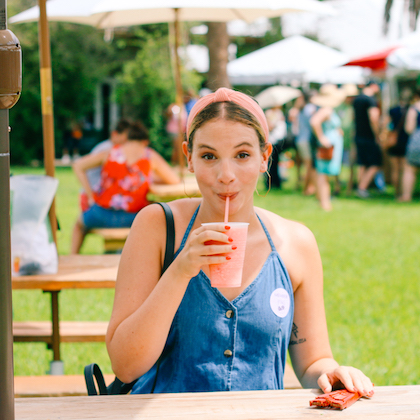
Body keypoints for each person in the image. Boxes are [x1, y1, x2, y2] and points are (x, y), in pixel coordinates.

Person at [106, 88, 374, 396]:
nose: (226, 174)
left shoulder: (296, 244)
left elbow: (313, 360)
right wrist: (181, 269)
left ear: (264, 157)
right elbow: (125, 365)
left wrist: (331, 373)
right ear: (189, 157)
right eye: (209, 156)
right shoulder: (157, 226)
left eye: (242, 155)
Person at [70, 119, 180, 254]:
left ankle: (72, 256)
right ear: (145, 141)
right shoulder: (148, 155)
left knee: (79, 225)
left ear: (127, 138)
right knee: (159, 215)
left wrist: (89, 194)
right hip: (133, 217)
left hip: (101, 214)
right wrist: (149, 178)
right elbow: (174, 180)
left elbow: (78, 165)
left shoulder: (110, 152)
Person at [310, 84, 348, 211]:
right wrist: (321, 138)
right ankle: (325, 203)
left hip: (332, 144)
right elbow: (315, 122)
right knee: (323, 174)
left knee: (325, 173)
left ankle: (324, 201)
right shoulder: (326, 109)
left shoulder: (327, 109)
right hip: (328, 146)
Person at [352, 79, 383, 199]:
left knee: (362, 162)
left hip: (359, 135)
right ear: (374, 86)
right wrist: (377, 135)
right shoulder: (370, 100)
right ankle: (362, 188)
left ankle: (360, 186)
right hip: (369, 136)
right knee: (375, 162)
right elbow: (373, 118)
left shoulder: (357, 99)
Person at [386, 88, 413, 197]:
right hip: (406, 141)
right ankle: (403, 192)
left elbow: (387, 124)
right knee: (405, 170)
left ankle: (396, 192)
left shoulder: (393, 110)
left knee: (395, 170)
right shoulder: (411, 110)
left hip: (394, 141)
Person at [290, 91, 318, 195]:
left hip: (300, 139)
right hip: (307, 140)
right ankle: (306, 189)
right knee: (309, 166)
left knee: (307, 166)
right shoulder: (310, 108)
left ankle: (308, 187)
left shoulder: (302, 108)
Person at [264, 104, 287, 190]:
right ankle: (269, 183)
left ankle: (277, 182)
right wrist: (276, 122)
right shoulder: (269, 113)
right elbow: (269, 126)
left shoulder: (280, 113)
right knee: (271, 163)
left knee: (277, 162)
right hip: (272, 140)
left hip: (279, 140)